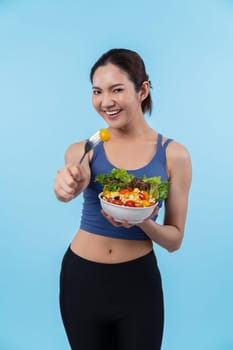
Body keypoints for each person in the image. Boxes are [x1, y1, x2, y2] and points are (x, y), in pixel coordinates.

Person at [54, 48, 192, 350]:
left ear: (142, 90)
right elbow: (75, 180)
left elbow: (174, 240)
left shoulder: (174, 155)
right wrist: (66, 185)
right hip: (82, 278)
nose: (106, 102)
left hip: (138, 283)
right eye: (97, 92)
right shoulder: (85, 149)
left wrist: (144, 222)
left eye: (117, 90)